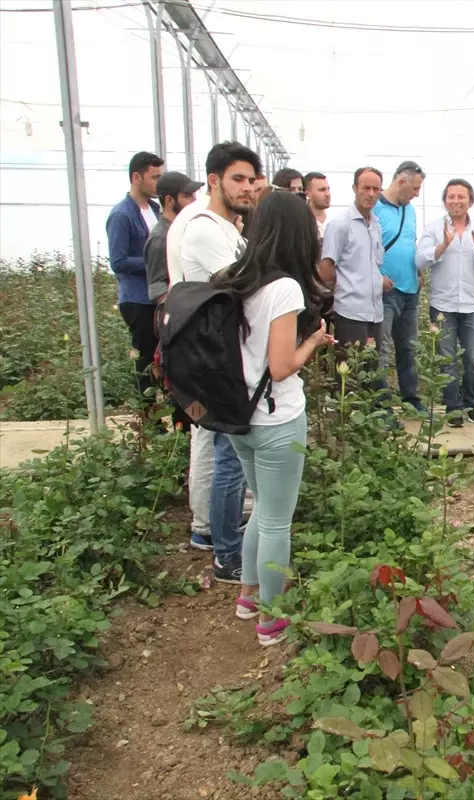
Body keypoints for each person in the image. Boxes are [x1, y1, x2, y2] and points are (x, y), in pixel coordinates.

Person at [211, 191, 334, 646]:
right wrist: (315, 342)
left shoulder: (232, 278)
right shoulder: (284, 288)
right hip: (277, 419)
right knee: (277, 521)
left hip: (239, 416)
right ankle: (272, 618)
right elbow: (281, 365)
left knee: (262, 509)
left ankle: (248, 596)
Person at [174, 141, 260, 582]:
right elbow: (244, 284)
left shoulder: (233, 229)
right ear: (214, 181)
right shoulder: (206, 229)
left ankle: (225, 532)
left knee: (231, 451)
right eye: (237, 179)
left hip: (230, 351)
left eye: (251, 180)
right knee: (226, 452)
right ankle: (226, 553)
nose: (247, 188)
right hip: (215, 355)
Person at [417, 179, 474, 427]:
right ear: (445, 200)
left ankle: (472, 406)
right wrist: (443, 245)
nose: (456, 201)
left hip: (471, 305)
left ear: (470, 201)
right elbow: (419, 260)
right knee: (446, 359)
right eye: (451, 196)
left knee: (472, 359)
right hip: (442, 306)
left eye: (461, 197)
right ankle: (453, 409)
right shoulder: (434, 227)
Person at [106, 151, 164, 406]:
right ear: (136, 177)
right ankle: (149, 421)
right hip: (138, 299)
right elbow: (118, 262)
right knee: (144, 362)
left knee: (161, 358)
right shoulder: (122, 214)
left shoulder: (154, 209)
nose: (158, 184)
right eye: (154, 177)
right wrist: (155, 264)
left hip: (156, 296)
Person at [319, 167, 385, 362]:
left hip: (375, 313)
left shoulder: (376, 225)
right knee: (350, 375)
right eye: (366, 188)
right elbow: (326, 268)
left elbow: (373, 264)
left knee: (370, 372)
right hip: (350, 312)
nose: (371, 194)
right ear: (355, 188)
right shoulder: (340, 224)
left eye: (376, 189)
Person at [375, 161, 426, 409]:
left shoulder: (410, 210)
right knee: (382, 351)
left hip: (410, 291)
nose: (416, 194)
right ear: (401, 181)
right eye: (415, 188)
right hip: (386, 292)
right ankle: (382, 406)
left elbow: (410, 242)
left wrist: (417, 272)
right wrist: (377, 276)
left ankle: (411, 399)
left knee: (408, 349)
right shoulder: (374, 208)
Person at [145, 170, 203, 304]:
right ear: (169, 200)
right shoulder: (160, 237)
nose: (194, 200)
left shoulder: (188, 228)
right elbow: (158, 289)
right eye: (188, 196)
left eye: (194, 194)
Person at [304, 171, 331, 243]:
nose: (327, 194)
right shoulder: (301, 223)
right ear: (308, 194)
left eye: (328, 189)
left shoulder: (336, 220)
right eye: (322, 190)